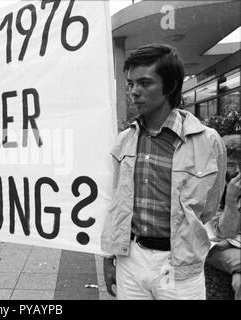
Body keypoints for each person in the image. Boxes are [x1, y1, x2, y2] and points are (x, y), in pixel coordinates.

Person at [101, 44, 227, 300]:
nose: (135, 91)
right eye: (131, 83)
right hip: (131, 260)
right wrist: (109, 257)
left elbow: (210, 207)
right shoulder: (124, 140)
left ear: (170, 86)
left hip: (180, 266)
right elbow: (116, 203)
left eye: (145, 83)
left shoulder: (207, 141)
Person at [206, 134, 241, 300]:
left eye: (240, 164)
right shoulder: (211, 187)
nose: (237, 171)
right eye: (231, 165)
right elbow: (221, 234)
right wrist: (231, 200)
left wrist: (230, 241)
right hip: (216, 249)